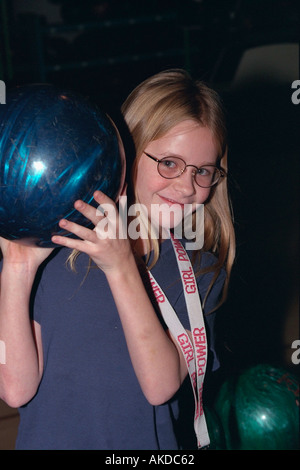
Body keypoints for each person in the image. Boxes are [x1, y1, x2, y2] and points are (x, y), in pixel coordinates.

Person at [0, 69, 235, 450]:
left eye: (203, 171)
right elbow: (14, 389)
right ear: (125, 151)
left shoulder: (199, 270)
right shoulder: (57, 253)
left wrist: (122, 266)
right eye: (170, 163)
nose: (187, 185)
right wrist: (16, 269)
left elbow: (160, 386)